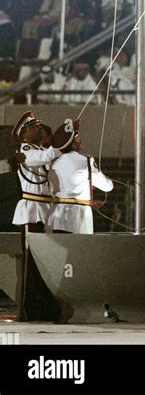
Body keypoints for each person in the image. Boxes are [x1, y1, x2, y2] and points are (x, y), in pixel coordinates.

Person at [11, 110, 63, 321]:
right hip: (30, 210)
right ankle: (28, 308)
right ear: (25, 133)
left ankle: (41, 305)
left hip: (43, 210)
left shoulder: (36, 150)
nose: (38, 129)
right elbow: (46, 156)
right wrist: (64, 141)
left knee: (42, 262)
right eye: (34, 127)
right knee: (30, 264)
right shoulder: (25, 151)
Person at [47, 119, 113, 234]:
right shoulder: (86, 161)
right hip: (79, 216)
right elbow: (107, 186)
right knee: (80, 249)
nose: (80, 141)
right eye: (78, 139)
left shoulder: (54, 164)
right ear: (73, 145)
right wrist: (109, 181)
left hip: (58, 214)